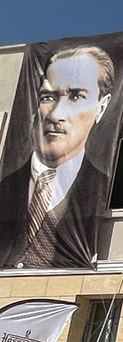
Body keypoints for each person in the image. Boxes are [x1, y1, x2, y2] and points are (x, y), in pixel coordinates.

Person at [0, 46, 115, 269]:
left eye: (76, 96)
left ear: (101, 107)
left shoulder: (106, 188)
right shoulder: (5, 187)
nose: (56, 114)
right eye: (48, 97)